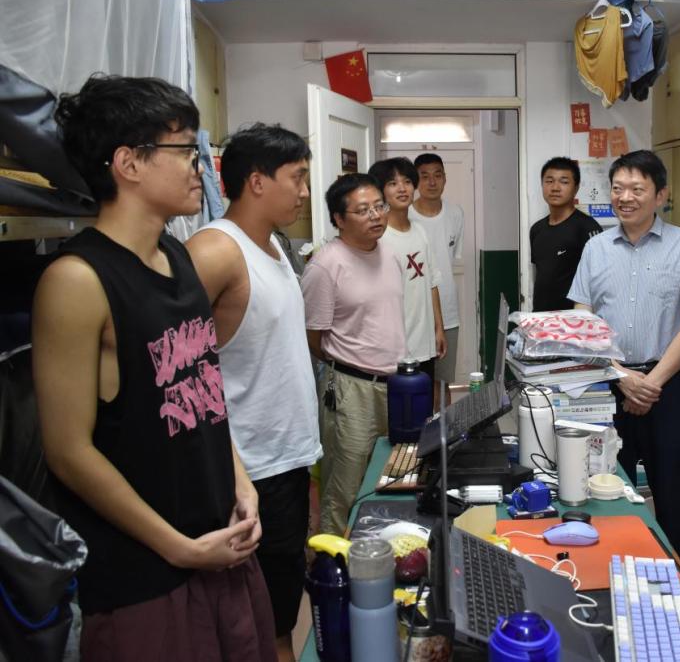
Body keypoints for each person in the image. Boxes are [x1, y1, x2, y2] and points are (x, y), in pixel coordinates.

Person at [33, 75, 275, 661]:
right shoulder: (76, 281)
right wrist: (178, 548)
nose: (200, 166)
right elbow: (69, 452)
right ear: (129, 163)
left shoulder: (175, 257)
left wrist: (240, 483)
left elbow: (203, 390)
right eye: (186, 149)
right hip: (146, 578)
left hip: (220, 546)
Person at [185, 123, 321, 662]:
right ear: (257, 181)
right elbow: (173, 370)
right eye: (298, 178)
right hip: (246, 469)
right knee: (255, 625)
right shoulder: (215, 251)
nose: (305, 192)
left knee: (279, 609)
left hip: (284, 460)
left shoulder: (276, 247)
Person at [568, 150, 680, 569]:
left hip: (668, 389)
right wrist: (621, 377)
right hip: (607, 387)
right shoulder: (595, 248)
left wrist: (649, 383)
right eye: (618, 188)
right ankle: (608, 578)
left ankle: (678, 586)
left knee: (671, 494)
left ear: (660, 195)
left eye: (637, 188)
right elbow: (583, 322)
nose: (625, 197)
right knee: (603, 491)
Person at [300, 173, 405, 536]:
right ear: (339, 219)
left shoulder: (390, 255)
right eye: (363, 210)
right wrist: (345, 364)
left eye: (379, 206)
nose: (376, 215)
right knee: (345, 484)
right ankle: (334, 560)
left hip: (395, 385)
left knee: (391, 474)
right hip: (350, 388)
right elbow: (312, 337)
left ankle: (377, 549)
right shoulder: (325, 266)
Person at [369, 157, 446, 379]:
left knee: (425, 397)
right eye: (393, 183)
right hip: (392, 349)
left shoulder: (420, 231)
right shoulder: (378, 238)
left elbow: (432, 283)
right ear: (380, 191)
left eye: (407, 182)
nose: (402, 189)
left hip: (425, 343)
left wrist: (439, 328)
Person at [410, 153, 464, 390]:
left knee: (442, 385)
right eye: (424, 176)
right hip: (413, 313)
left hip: (448, 311)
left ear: (445, 179)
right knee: (414, 383)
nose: (432, 182)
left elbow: (450, 259)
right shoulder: (405, 215)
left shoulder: (456, 213)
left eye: (437, 175)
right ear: (415, 181)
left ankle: (443, 418)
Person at [531, 157, 602, 312]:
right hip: (541, 319)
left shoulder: (588, 227)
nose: (555, 188)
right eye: (549, 181)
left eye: (564, 182)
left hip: (574, 320)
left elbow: (600, 280)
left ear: (576, 188)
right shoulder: (536, 229)